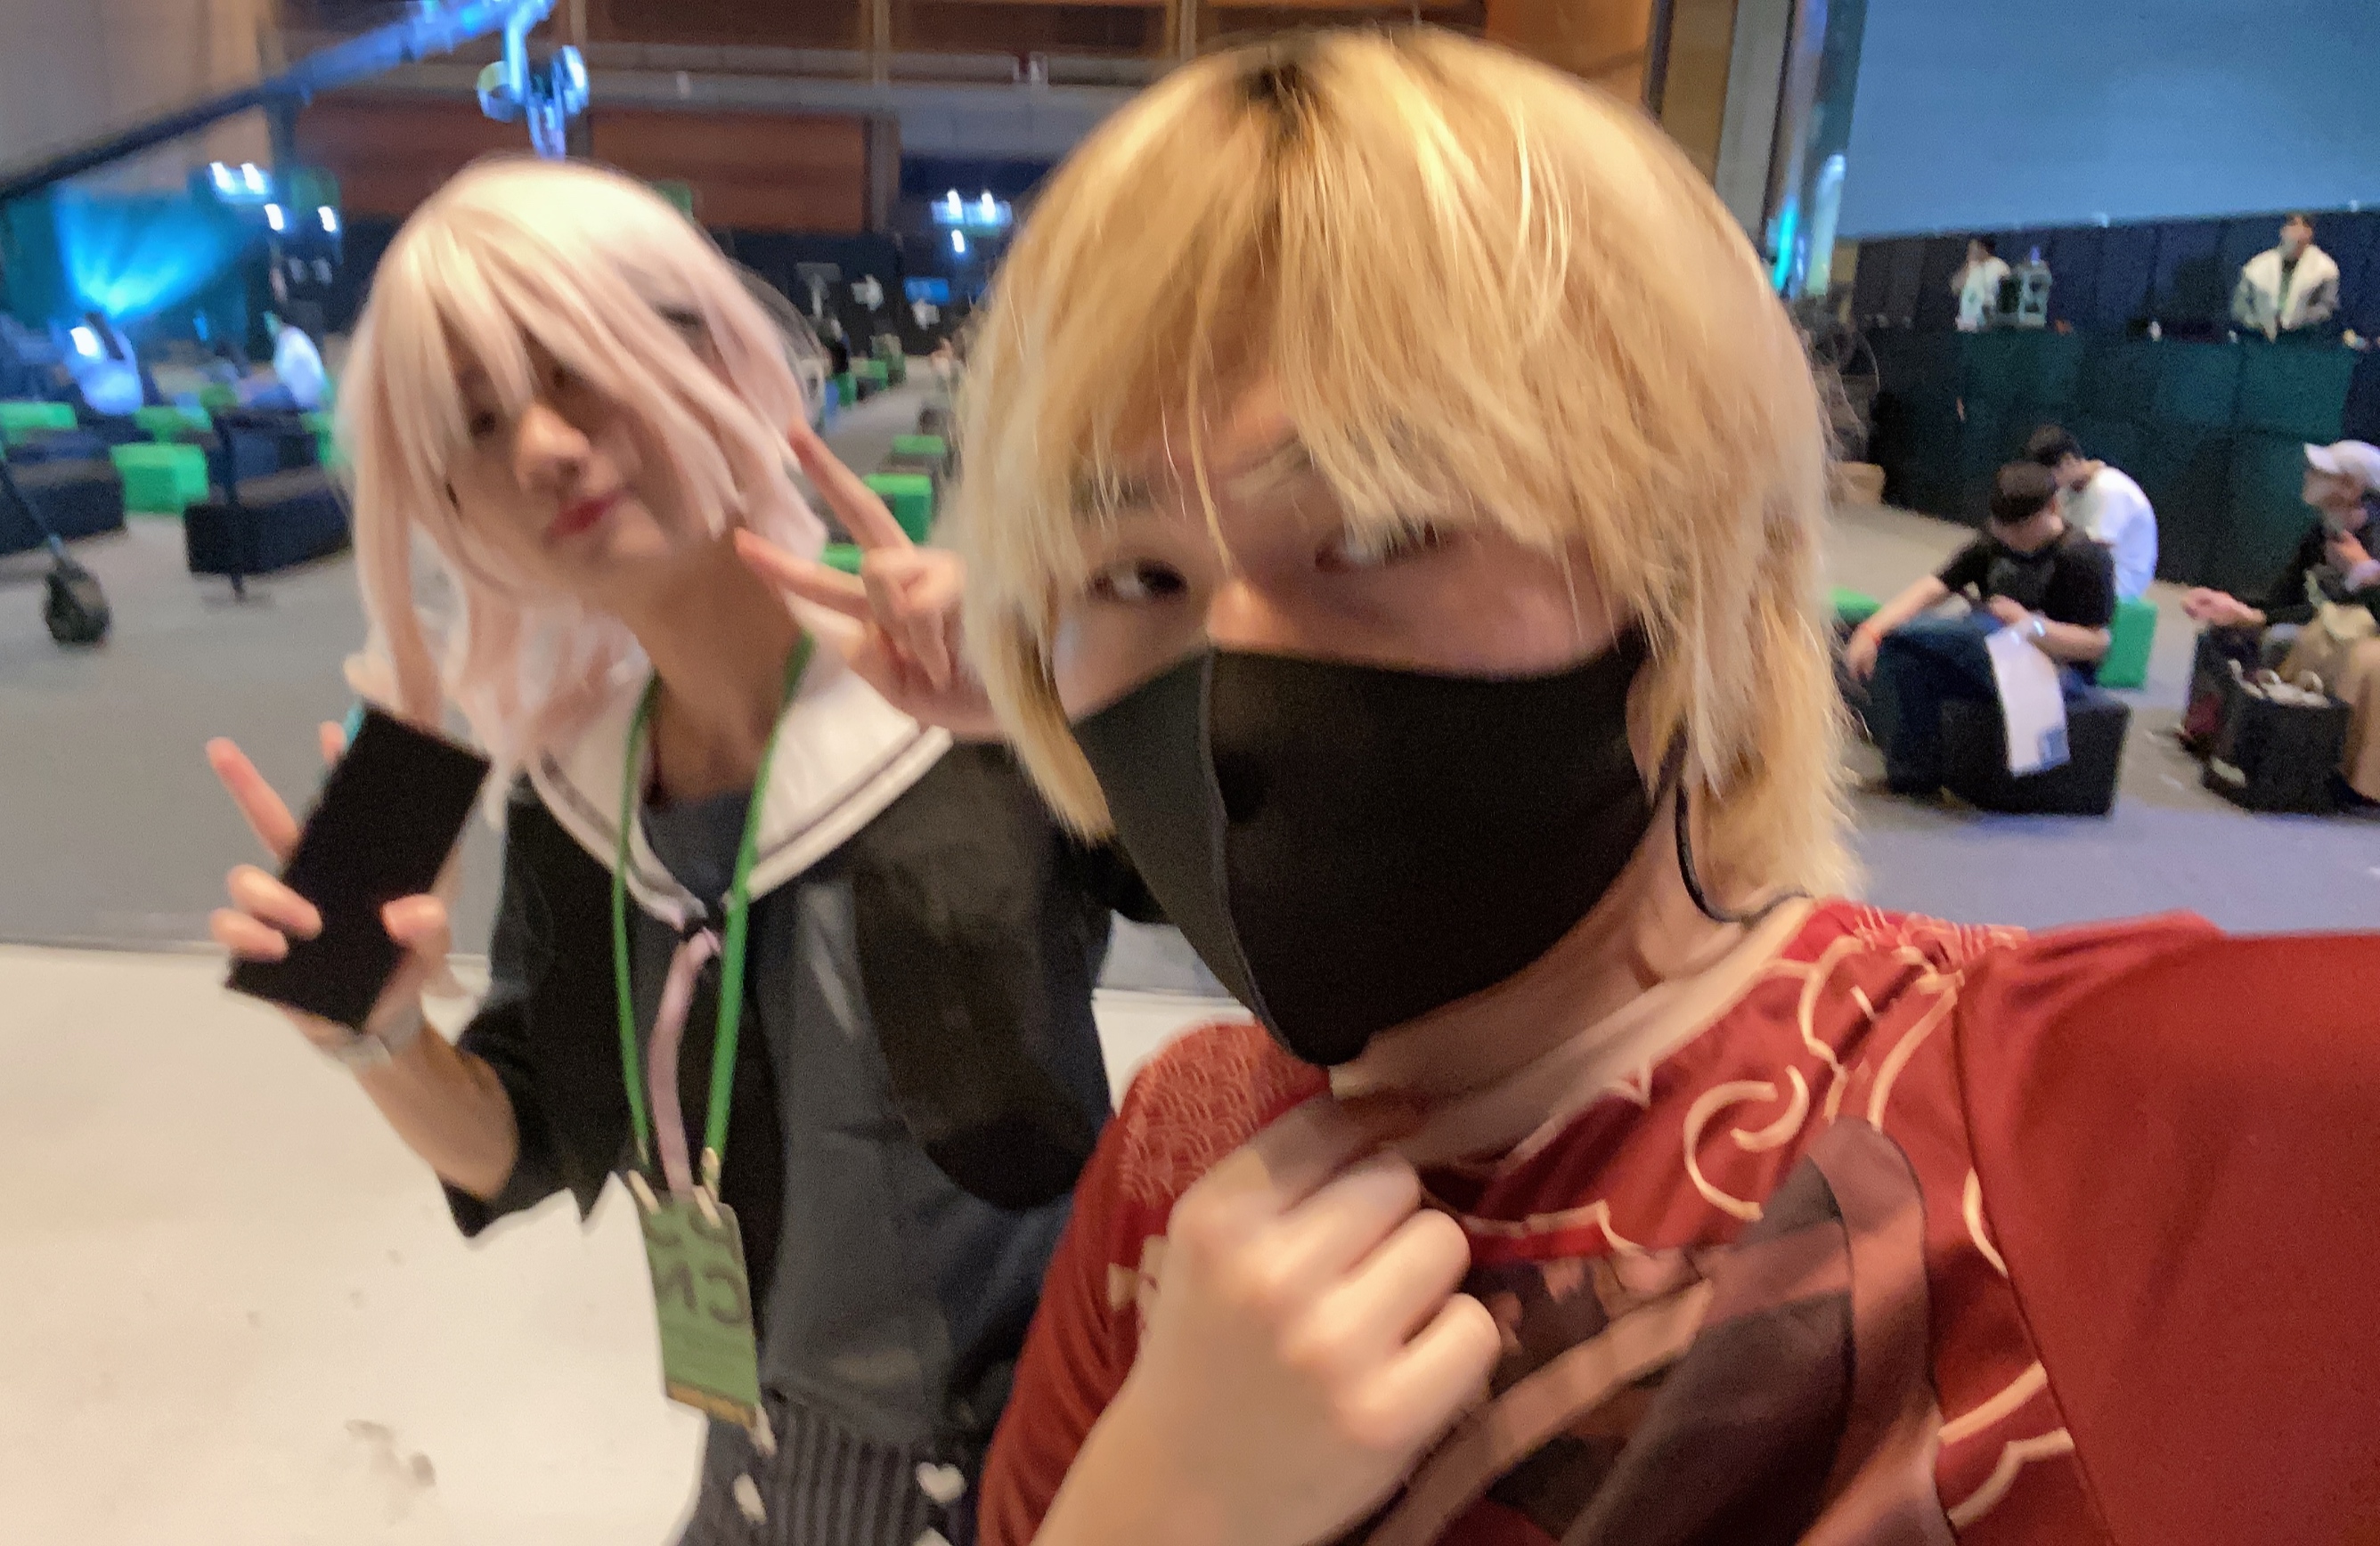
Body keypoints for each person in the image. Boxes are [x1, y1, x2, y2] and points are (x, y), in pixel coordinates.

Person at [746, 31, 2379, 1544]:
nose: (1233, 668)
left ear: (1684, 567)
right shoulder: (1179, 1157)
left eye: (1379, 528)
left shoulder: (2047, 1129)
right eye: (1132, 575)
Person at [205, 157, 1129, 1545]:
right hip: (754, 1467)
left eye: (578, 367)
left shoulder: (968, 704)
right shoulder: (582, 793)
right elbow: (518, 1144)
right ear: (451, 512)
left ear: (716, 358)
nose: (543, 448)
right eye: (476, 423)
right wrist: (377, 1036)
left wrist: (1075, 678)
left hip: (1053, 1461)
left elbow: (1270, 927)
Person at [1845, 461, 2116, 794]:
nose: (2012, 537)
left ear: (2052, 508)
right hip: (1993, 654)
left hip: (2060, 672)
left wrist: (2030, 626)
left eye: (2021, 527)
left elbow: (2098, 644)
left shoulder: (2083, 557)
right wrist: (1872, 631)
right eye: (2004, 527)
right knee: (1905, 646)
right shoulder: (1994, 541)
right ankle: (1914, 775)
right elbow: (1934, 587)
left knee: (1976, 632)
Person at [2181, 439, 2380, 801]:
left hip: (2347, 639)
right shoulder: (2322, 532)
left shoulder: (2373, 540)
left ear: (2352, 487)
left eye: (2322, 472)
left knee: (2289, 639)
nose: (2309, 475)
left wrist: (2363, 573)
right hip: (2314, 627)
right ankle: (2222, 731)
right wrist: (2242, 610)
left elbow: (2355, 613)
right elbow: (2284, 597)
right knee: (2231, 635)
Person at [2025, 424, 2156, 599]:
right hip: (2091, 572)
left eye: (2050, 475)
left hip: (2121, 581)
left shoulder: (2111, 489)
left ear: (2068, 461)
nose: (2048, 482)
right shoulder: (2066, 489)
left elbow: (2093, 553)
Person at [2232, 213, 2341, 343]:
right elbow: (2239, 309)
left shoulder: (2326, 269)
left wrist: (2299, 322)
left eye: (2305, 226)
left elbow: (2328, 308)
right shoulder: (2256, 267)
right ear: (2283, 230)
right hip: (2261, 342)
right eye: (2293, 225)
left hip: (2305, 343)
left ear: (2311, 233)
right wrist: (2259, 324)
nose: (2299, 232)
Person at [1952, 235, 2011, 332]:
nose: (1971, 252)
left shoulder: (1998, 265)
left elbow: (2008, 286)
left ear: (1983, 249)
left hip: (1987, 318)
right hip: (1967, 321)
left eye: (1974, 248)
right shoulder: (1970, 267)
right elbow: (1955, 288)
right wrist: (1968, 265)